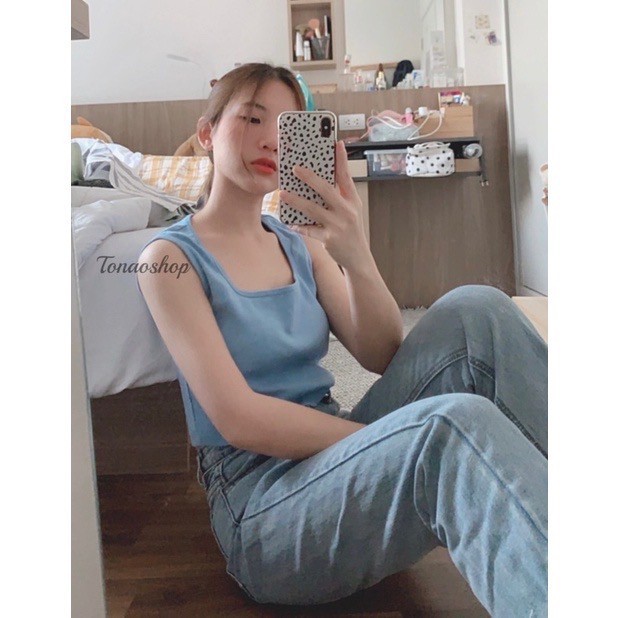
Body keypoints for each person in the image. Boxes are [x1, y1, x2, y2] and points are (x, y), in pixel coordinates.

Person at [138, 63, 548, 616]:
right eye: (252, 119)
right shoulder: (168, 259)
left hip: (334, 453)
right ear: (208, 133)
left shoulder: (298, 243)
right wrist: (385, 438)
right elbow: (238, 419)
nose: (269, 140)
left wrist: (354, 250)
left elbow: (381, 353)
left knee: (479, 310)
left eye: (287, 128)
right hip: (260, 506)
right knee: (450, 425)